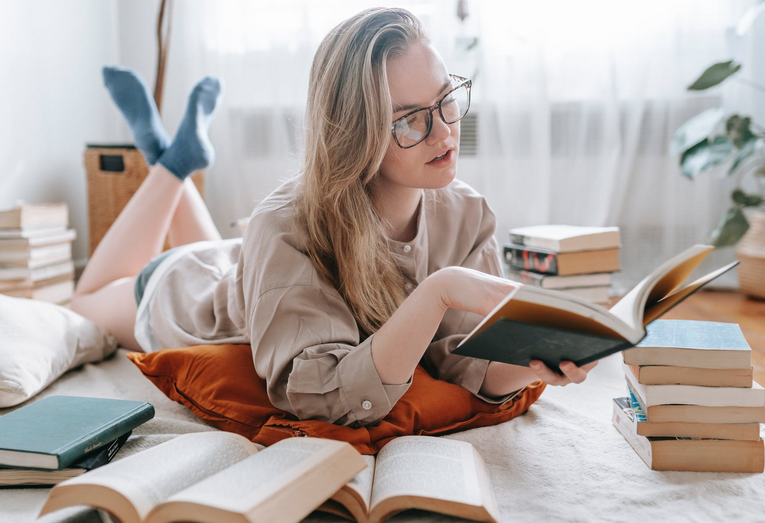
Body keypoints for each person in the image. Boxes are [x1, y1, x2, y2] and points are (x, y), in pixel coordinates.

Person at [71, 7, 596, 428]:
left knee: (243, 253)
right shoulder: (286, 225)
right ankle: (172, 165)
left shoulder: (466, 213)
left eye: (446, 100)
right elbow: (325, 396)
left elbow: (463, 363)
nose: (443, 133)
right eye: (410, 120)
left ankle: (172, 156)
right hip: (185, 293)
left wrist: (538, 364)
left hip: (248, 266)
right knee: (83, 301)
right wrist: (440, 289)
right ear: (355, 131)